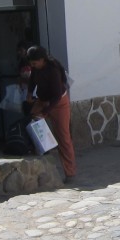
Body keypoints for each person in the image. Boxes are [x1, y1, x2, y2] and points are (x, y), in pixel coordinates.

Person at [26, 45, 76, 179]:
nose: (33, 65)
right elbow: (32, 80)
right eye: (31, 63)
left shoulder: (53, 71)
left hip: (58, 103)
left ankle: (70, 172)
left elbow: (57, 95)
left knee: (63, 138)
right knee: (32, 123)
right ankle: (42, 151)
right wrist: (30, 93)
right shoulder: (35, 69)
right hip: (43, 100)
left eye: (35, 63)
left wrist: (46, 111)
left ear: (42, 60)